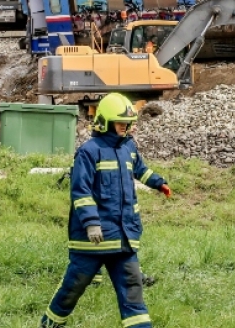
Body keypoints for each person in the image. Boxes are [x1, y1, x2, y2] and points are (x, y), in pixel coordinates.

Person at [40, 93, 171, 328]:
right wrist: (91, 223)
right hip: (92, 243)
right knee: (73, 288)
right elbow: (80, 191)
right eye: (122, 124)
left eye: (129, 124)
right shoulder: (89, 152)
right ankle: (50, 323)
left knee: (133, 291)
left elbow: (141, 169)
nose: (127, 128)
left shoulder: (129, 147)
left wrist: (158, 182)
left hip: (123, 240)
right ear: (106, 122)